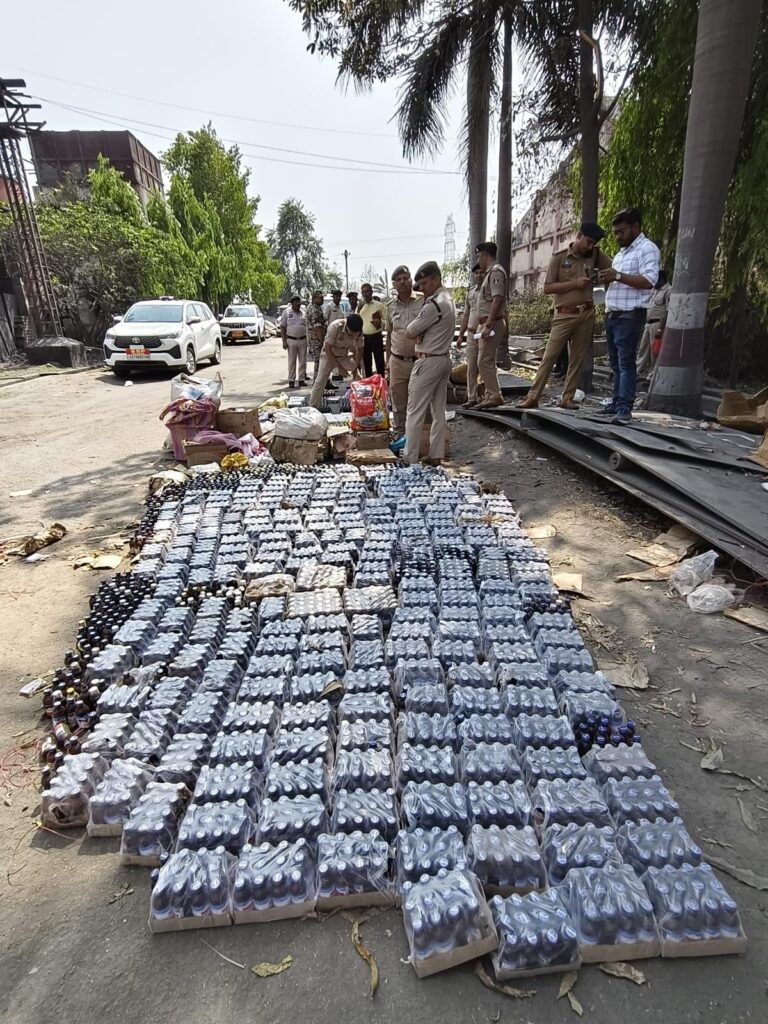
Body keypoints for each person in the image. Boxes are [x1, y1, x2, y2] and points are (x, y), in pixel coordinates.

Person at [519, 222, 611, 410]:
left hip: (586, 314)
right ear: (579, 236)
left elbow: (613, 269)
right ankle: (533, 397)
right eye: (588, 241)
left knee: (577, 358)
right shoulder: (559, 258)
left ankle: (567, 398)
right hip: (564, 315)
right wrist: (575, 284)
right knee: (550, 357)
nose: (590, 246)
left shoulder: (595, 255)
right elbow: (547, 288)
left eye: (594, 243)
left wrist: (603, 277)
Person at [597, 207, 660, 424]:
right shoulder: (621, 254)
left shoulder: (647, 249)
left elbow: (650, 280)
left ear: (635, 227)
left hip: (630, 314)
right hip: (613, 314)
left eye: (621, 231)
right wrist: (608, 278)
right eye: (615, 232)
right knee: (615, 364)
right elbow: (619, 279)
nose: (617, 236)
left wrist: (618, 276)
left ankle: (624, 408)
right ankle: (616, 403)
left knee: (626, 363)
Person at [402, 261, 456, 466]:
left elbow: (410, 331)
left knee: (414, 411)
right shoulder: (447, 298)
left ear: (436, 279)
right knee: (438, 411)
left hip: (428, 361)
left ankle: (410, 458)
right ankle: (436, 454)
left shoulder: (434, 304)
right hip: (443, 359)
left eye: (424, 283)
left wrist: (419, 333)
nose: (422, 288)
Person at [385, 265, 421, 437]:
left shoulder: (423, 301)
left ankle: (421, 437)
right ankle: (400, 435)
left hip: (419, 361)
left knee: (420, 400)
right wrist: (388, 361)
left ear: (411, 280)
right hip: (397, 361)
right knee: (398, 402)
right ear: (394, 284)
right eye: (398, 280)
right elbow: (389, 335)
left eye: (405, 278)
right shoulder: (390, 307)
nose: (402, 282)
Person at [474, 241, 508, 409]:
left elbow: (497, 298)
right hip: (488, 323)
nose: (478, 260)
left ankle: (494, 395)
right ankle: (490, 394)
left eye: (479, 256)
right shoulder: (489, 273)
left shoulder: (495, 272)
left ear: (485, 255)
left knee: (483, 361)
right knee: (487, 361)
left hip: (492, 323)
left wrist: (488, 325)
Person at [308, 314, 364, 410]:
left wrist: (355, 367)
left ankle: (361, 405)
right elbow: (327, 348)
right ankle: (313, 408)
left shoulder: (359, 330)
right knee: (320, 381)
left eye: (356, 333)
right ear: (347, 327)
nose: (354, 335)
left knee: (358, 378)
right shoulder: (336, 326)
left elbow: (360, 349)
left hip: (344, 355)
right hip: (328, 355)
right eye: (352, 332)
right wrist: (340, 369)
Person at [456, 263, 486, 408]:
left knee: (485, 365)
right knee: (471, 367)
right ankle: (472, 397)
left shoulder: (490, 291)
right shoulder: (471, 292)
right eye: (477, 273)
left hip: (485, 334)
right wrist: (460, 335)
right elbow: (466, 315)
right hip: (471, 333)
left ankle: (485, 395)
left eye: (481, 272)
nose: (479, 275)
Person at [636, 270, 671, 377]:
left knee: (655, 350)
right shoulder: (655, 290)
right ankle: (637, 371)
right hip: (648, 323)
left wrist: (661, 328)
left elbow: (668, 311)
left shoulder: (668, 291)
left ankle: (651, 375)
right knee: (643, 348)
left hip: (658, 323)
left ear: (662, 280)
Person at [358, 283, 387, 376]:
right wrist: (358, 309)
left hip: (376, 337)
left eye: (367, 291)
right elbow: (356, 319)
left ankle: (381, 381)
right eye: (363, 292)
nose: (365, 294)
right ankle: (369, 381)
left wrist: (380, 323)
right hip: (364, 337)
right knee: (367, 362)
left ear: (371, 292)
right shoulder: (360, 306)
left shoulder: (379, 305)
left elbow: (387, 320)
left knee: (379, 361)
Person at [280, 295, 307, 388]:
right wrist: (284, 341)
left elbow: (307, 326)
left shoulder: (303, 312)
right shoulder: (286, 312)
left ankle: (301, 379)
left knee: (303, 361)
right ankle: (291, 380)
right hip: (291, 340)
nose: (297, 304)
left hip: (303, 339)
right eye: (295, 302)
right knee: (292, 361)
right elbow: (282, 327)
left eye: (299, 302)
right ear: (292, 303)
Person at [305, 290, 327, 382]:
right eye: (320, 298)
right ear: (314, 298)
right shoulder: (314, 310)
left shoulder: (317, 308)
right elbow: (317, 328)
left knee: (323, 363)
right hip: (317, 341)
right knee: (319, 362)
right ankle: (317, 383)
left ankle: (324, 382)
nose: (322, 299)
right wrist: (323, 342)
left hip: (317, 339)